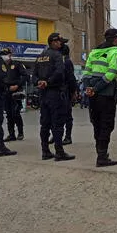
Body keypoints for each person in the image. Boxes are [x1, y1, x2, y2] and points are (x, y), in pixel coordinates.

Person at [82, 29, 117, 167]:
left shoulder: (94, 52)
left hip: (93, 95)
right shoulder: (115, 52)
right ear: (115, 39)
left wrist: (89, 88)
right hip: (105, 94)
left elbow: (86, 72)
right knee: (106, 124)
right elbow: (111, 73)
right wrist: (97, 88)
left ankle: (101, 153)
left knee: (97, 123)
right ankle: (102, 157)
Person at [33, 33, 75, 162]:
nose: (61, 44)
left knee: (45, 123)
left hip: (43, 94)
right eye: (59, 42)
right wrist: (49, 82)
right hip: (55, 93)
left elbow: (34, 75)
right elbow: (59, 72)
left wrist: (40, 82)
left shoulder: (40, 56)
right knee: (57, 123)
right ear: (53, 42)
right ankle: (59, 152)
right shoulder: (57, 55)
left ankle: (45, 151)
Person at [0, 48, 29, 142]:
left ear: (10, 55)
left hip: (16, 92)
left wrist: (17, 85)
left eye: (6, 54)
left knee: (15, 113)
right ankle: (11, 134)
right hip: (5, 91)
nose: (4, 56)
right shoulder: (0, 65)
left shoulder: (17, 64)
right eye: (3, 54)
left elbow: (25, 76)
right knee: (8, 114)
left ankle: (20, 133)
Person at [60, 43, 77, 145]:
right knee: (59, 115)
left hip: (66, 91)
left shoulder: (66, 62)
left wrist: (73, 92)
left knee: (67, 115)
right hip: (61, 91)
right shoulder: (59, 61)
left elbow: (71, 78)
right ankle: (58, 135)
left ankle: (68, 136)